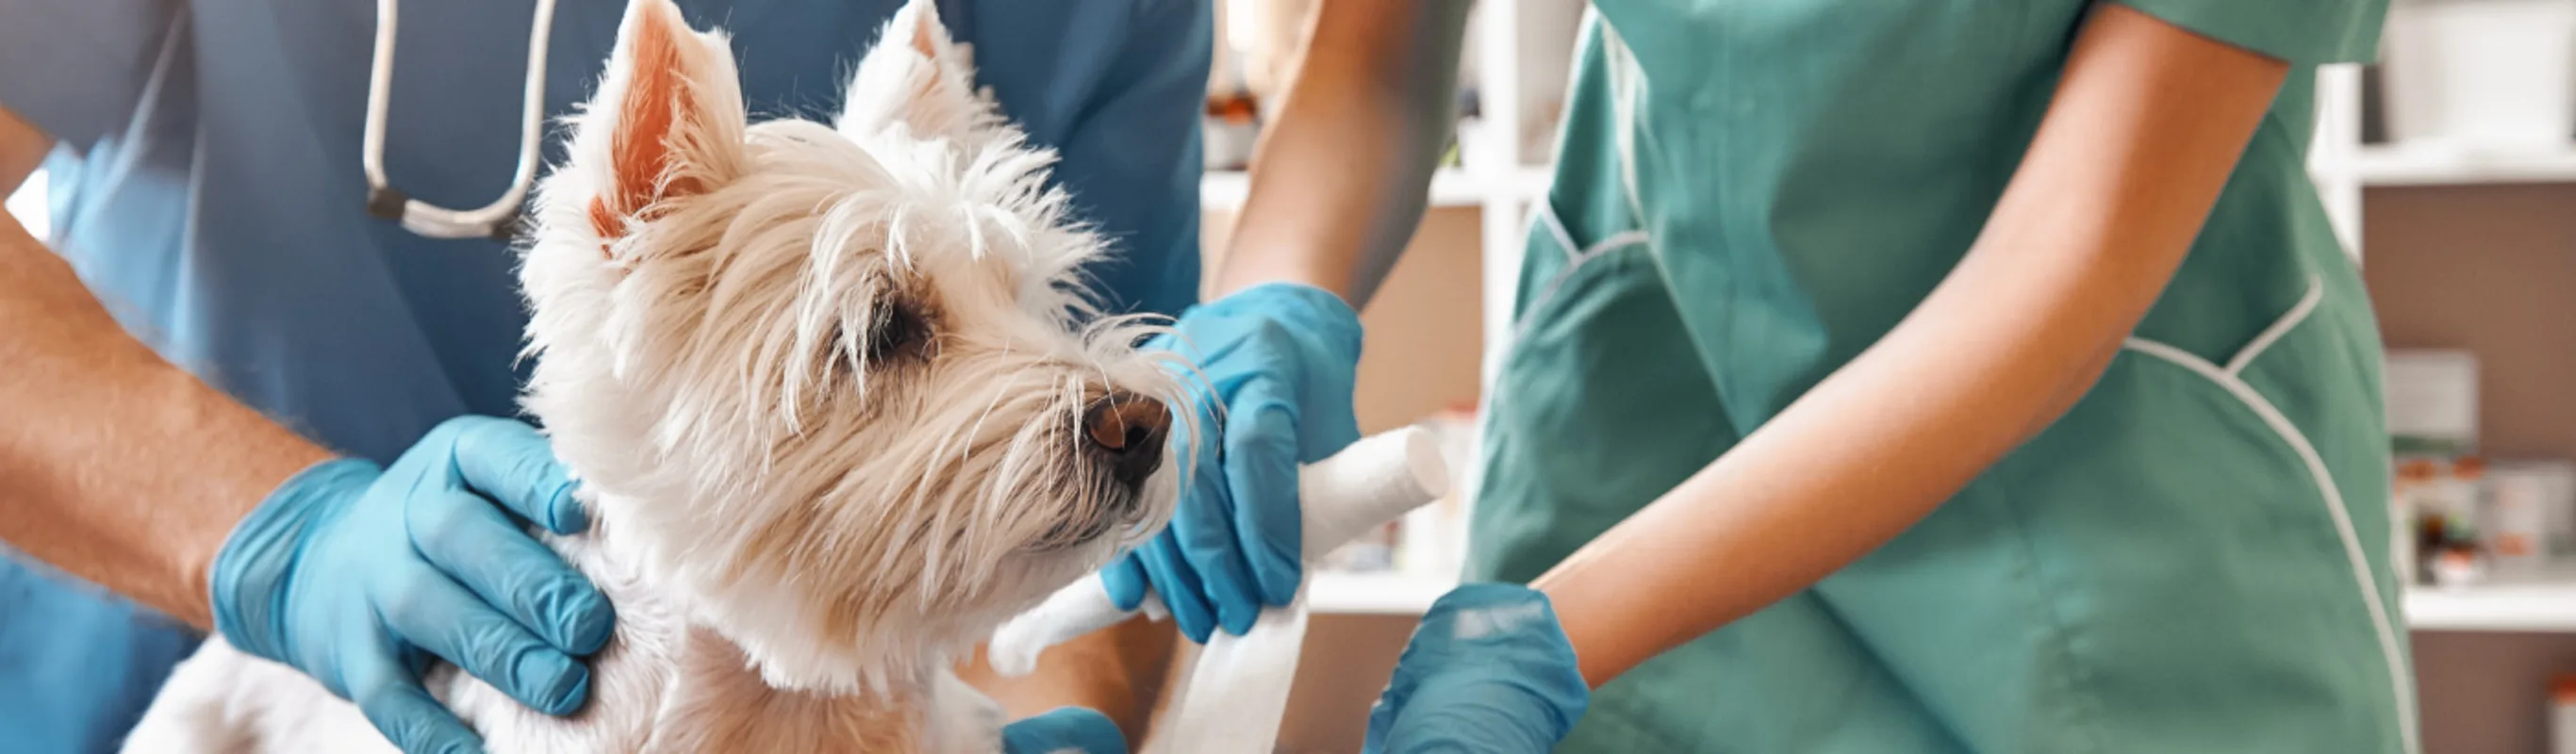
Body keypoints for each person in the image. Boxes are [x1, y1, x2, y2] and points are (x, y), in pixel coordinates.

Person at [1129, 1, 2409, 751]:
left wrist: (1563, 631)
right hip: (1643, 418)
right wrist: (1270, 307)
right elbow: (1373, 61)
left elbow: (2064, 261)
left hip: (2123, 497)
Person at [0, 1, 1206, 752]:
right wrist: (279, 537)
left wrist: (1083, 708)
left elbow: (1097, 578)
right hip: (148, 661)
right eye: (884, 331)